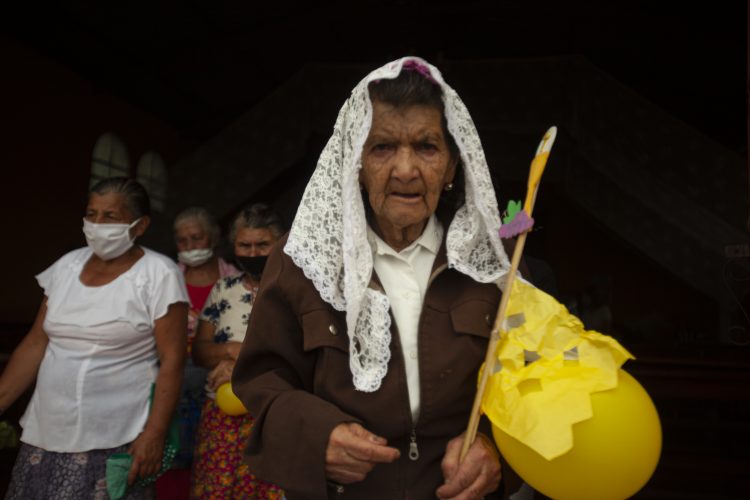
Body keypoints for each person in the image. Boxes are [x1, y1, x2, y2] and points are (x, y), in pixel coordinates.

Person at [232, 57, 527, 499]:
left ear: (451, 168)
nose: (405, 170)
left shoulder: (491, 265)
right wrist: (316, 437)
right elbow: (262, 380)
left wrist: (492, 446)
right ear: (354, 162)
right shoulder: (302, 260)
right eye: (382, 147)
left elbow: (531, 382)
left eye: (427, 147)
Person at [0, 177, 188, 498]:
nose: (97, 224)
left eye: (110, 216)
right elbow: (35, 342)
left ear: (140, 226)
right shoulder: (66, 267)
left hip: (115, 434)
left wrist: (154, 434)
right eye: (91, 214)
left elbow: (173, 358)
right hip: (46, 431)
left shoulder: (159, 274)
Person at [190, 203, 285, 499]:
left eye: (262, 245)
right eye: (245, 245)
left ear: (280, 243)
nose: (253, 253)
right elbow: (200, 353)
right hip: (221, 416)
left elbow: (303, 354)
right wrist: (231, 349)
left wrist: (245, 364)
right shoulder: (223, 288)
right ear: (234, 246)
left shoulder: (295, 289)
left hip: (273, 413)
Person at [158, 207, 240, 499]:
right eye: (182, 241)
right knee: (170, 458)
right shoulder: (165, 279)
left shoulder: (234, 280)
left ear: (213, 238)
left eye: (197, 238)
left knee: (213, 462)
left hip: (218, 385)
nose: (190, 247)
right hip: (172, 382)